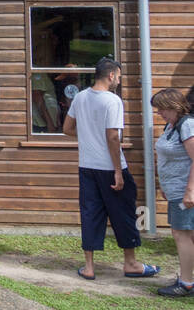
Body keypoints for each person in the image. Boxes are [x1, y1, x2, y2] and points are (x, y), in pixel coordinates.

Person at [64, 58, 159, 281]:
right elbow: (113, 136)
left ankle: (88, 267)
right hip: (109, 167)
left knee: (90, 213)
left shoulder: (80, 97)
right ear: (111, 75)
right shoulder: (112, 100)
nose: (119, 80)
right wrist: (118, 170)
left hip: (86, 166)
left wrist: (88, 136)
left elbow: (67, 128)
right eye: (119, 76)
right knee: (123, 213)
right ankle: (131, 263)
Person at [150, 87, 194, 297]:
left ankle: (186, 283)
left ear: (173, 106)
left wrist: (190, 191)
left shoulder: (186, 125)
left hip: (185, 191)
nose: (159, 113)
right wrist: (162, 184)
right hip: (175, 189)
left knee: (181, 234)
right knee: (188, 234)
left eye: (161, 109)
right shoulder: (171, 126)